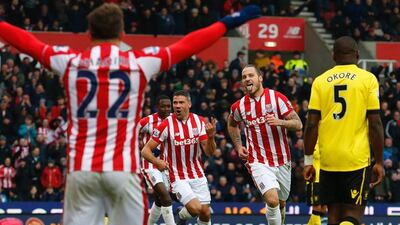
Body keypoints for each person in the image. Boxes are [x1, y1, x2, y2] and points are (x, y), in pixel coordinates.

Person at [0, 3, 261, 225]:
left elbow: (26, 42)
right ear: (123, 32)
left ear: (89, 32)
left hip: (82, 170)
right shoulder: (139, 63)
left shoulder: (69, 62)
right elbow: (189, 44)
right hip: (123, 171)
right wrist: (230, 21)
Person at [303, 36, 385, 225]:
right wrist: (379, 162)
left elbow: (311, 125)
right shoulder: (368, 79)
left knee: (333, 216)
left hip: (328, 160)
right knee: (353, 215)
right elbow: (375, 124)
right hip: (355, 159)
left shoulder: (320, 81)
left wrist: (308, 161)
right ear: (357, 55)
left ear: (333, 56)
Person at [227, 65, 302, 225]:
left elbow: (298, 124)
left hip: (282, 160)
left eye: (251, 75)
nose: (247, 79)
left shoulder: (277, 98)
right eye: (244, 76)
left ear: (260, 78)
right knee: (272, 200)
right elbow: (232, 124)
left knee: (281, 202)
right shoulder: (239, 106)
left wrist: (280, 122)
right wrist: (239, 146)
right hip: (258, 161)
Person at [141, 91, 217, 225]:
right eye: (175, 103)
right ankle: (182, 216)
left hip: (198, 174)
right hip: (177, 176)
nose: (177, 106)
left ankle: (182, 216)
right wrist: (157, 161)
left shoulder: (199, 121)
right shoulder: (165, 124)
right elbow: (145, 150)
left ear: (189, 104)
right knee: (195, 208)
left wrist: (211, 137)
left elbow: (209, 152)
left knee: (205, 213)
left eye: (181, 102)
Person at [138, 95, 175, 225]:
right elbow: (131, 133)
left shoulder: (173, 120)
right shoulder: (147, 121)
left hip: (165, 166)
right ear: (157, 107)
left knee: (160, 200)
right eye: (163, 106)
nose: (166, 109)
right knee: (166, 199)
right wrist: (138, 145)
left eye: (168, 106)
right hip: (150, 166)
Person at [306, 144, 327, 225]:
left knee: (323, 209)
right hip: (315, 180)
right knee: (317, 208)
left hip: (326, 180)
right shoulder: (313, 140)